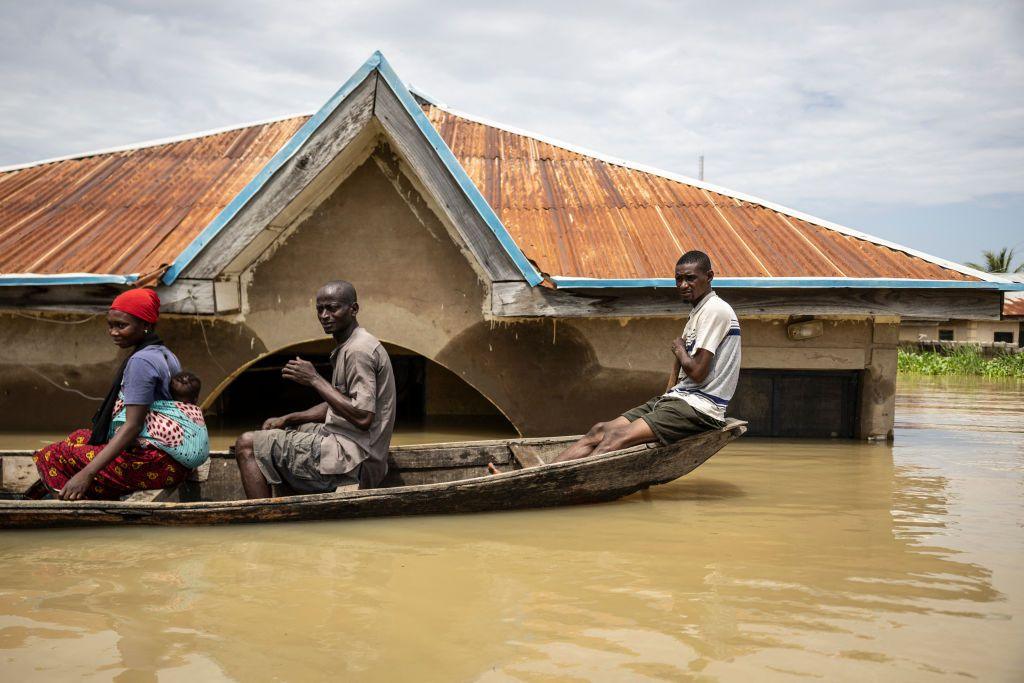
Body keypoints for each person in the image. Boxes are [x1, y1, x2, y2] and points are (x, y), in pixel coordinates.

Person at [554, 250, 741, 462]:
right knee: (598, 431)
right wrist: (666, 395)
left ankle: (568, 484)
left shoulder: (715, 310)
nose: (683, 285)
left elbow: (697, 372)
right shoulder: (698, 313)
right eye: (678, 279)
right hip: (678, 400)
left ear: (709, 276)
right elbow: (681, 374)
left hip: (701, 409)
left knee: (616, 438)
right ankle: (543, 475)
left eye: (690, 278)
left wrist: (679, 348)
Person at [28, 289, 209, 500]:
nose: (113, 332)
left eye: (121, 326)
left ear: (146, 325)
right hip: (171, 456)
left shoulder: (140, 362)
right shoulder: (166, 354)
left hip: (156, 462)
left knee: (53, 455)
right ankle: (43, 496)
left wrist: (87, 474)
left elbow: (132, 426)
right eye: (110, 325)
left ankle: (74, 499)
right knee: (79, 437)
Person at [233, 281, 397, 499]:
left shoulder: (359, 351)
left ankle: (263, 522)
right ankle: (289, 489)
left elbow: (363, 417)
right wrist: (288, 418)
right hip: (355, 449)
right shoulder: (351, 344)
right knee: (290, 430)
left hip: (354, 460)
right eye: (320, 309)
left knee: (246, 444)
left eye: (332, 308)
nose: (324, 315)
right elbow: (339, 402)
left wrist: (314, 379)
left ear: (354, 309)